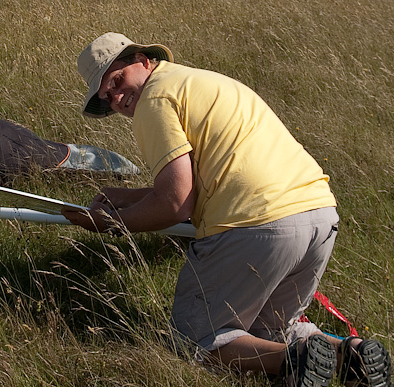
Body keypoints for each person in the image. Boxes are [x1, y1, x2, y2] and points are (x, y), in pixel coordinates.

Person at [62, 32, 392, 386]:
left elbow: (175, 204)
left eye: (116, 81)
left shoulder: (154, 100)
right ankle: (350, 354)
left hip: (256, 223)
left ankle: (296, 360)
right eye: (106, 97)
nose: (116, 98)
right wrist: (129, 196)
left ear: (142, 61)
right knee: (269, 331)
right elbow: (210, 179)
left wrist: (111, 223)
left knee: (193, 342)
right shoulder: (200, 82)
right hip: (318, 215)